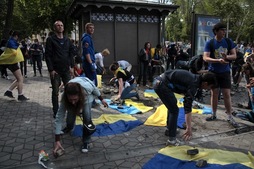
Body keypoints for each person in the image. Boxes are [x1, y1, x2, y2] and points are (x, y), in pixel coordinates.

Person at [153, 69, 217, 145]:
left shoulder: (196, 79)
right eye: (209, 87)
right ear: (206, 83)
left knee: (172, 106)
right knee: (174, 110)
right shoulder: (194, 84)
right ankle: (172, 140)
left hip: (160, 82)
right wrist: (189, 128)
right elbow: (187, 107)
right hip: (161, 85)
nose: (208, 89)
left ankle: (169, 129)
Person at [53, 77, 108, 154]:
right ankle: (69, 127)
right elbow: (59, 117)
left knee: (87, 118)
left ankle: (86, 141)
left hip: (87, 98)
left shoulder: (86, 88)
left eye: (75, 99)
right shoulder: (65, 97)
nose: (73, 102)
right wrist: (57, 140)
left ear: (79, 95)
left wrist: (102, 99)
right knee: (70, 116)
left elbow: (94, 88)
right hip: (76, 90)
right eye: (70, 99)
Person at [203, 22, 238, 127]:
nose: (224, 32)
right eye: (222, 30)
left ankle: (229, 116)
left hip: (225, 72)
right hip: (213, 72)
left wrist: (226, 57)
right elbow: (205, 57)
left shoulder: (228, 41)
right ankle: (213, 114)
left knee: (226, 94)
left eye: (224, 30)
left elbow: (234, 56)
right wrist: (218, 60)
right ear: (216, 31)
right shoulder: (210, 43)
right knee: (214, 93)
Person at [45, 20, 74, 118]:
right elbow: (47, 55)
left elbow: (71, 53)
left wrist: (71, 67)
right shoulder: (50, 39)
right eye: (58, 25)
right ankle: (56, 111)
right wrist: (51, 69)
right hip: (55, 70)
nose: (60, 27)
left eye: (62, 25)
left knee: (69, 90)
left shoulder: (67, 40)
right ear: (54, 28)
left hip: (66, 69)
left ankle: (70, 109)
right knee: (55, 92)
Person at [0, 31, 29, 101]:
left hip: (12, 63)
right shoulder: (11, 42)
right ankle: (20, 95)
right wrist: (18, 46)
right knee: (20, 78)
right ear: (16, 36)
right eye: (18, 37)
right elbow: (13, 52)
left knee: (19, 78)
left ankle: (9, 91)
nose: (18, 39)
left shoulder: (11, 41)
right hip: (12, 63)